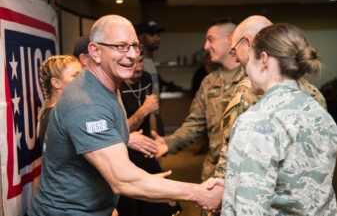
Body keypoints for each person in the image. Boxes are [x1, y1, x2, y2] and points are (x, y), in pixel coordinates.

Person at [29, 15, 222, 216]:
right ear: (95, 52)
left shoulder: (109, 86)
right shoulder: (86, 104)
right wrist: (198, 193)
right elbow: (122, 179)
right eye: (121, 46)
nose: (131, 55)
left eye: (135, 46)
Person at [221, 23, 337, 215]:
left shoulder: (256, 122)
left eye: (250, 59)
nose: (246, 70)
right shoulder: (321, 115)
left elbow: (249, 208)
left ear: (264, 60)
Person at [213, 15, 327, 180]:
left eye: (234, 50)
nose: (235, 57)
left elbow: (232, 155)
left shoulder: (246, 92)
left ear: (249, 43)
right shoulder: (315, 96)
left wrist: (219, 189)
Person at [154, 18, 247, 182]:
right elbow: (194, 124)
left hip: (247, 174)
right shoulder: (209, 82)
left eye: (210, 39)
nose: (205, 47)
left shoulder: (255, 79)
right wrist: (168, 143)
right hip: (214, 175)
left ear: (230, 39)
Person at [117, 53, 181, 216]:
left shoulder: (146, 78)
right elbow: (122, 132)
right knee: (131, 206)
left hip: (146, 149)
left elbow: (152, 114)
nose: (139, 67)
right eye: (134, 63)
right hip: (125, 152)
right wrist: (144, 110)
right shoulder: (117, 85)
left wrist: (155, 144)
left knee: (162, 204)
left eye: (141, 62)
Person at [37, 55, 83, 151]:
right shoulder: (60, 115)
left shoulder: (55, 112)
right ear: (56, 83)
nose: (83, 79)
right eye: (76, 75)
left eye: (83, 74)